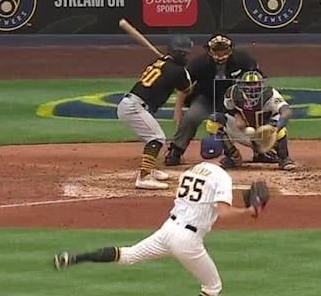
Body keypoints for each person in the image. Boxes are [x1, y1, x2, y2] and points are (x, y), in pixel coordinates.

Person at [53, 162, 266, 296]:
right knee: (212, 286)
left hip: (168, 230)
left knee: (128, 255)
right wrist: (248, 210)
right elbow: (224, 213)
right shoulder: (222, 176)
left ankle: (74, 258)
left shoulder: (190, 171)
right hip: (188, 239)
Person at [164, 35, 261, 167]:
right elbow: (183, 86)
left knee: (251, 119)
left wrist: (247, 106)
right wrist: (178, 110)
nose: (220, 54)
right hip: (206, 98)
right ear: (209, 51)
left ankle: (261, 151)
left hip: (234, 100)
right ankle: (175, 151)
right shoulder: (198, 64)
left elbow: (256, 79)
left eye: (223, 50)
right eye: (217, 51)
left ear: (231, 49)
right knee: (191, 117)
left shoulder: (244, 60)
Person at [118, 36, 194, 190]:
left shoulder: (159, 63)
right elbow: (186, 89)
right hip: (134, 107)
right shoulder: (177, 71)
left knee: (153, 137)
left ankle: (150, 169)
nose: (187, 56)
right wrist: (182, 72)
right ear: (177, 54)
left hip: (132, 104)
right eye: (184, 54)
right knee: (156, 138)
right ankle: (144, 177)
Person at [213, 70, 297, 171]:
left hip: (264, 135)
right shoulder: (233, 94)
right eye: (248, 84)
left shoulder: (270, 94)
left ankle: (283, 158)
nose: (252, 87)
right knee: (214, 122)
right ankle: (233, 157)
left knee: (280, 128)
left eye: (255, 83)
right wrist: (237, 116)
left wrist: (275, 129)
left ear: (261, 84)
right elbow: (229, 108)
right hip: (244, 132)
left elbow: (286, 111)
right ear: (242, 85)